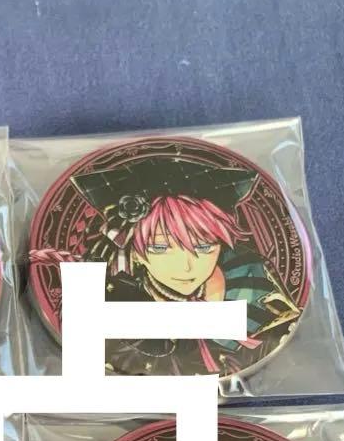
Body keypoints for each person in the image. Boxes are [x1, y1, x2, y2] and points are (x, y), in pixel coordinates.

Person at [44, 154, 302, 375]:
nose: (186, 267)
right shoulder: (108, 296)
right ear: (134, 251)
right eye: (159, 248)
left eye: (204, 247)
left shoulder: (253, 284)